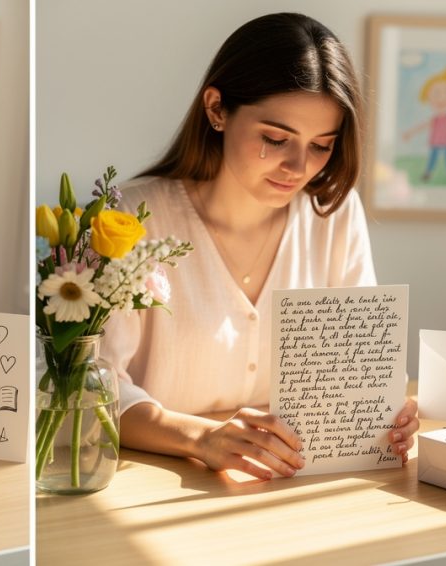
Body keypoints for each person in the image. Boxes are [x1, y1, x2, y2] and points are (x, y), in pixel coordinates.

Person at [101, 13, 419, 481]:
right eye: (276, 138)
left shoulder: (335, 215)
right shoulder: (129, 218)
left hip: (292, 485)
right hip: (149, 486)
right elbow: (92, 384)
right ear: (216, 109)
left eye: (321, 145)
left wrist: (382, 417)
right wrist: (200, 438)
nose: (298, 166)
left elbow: (352, 378)